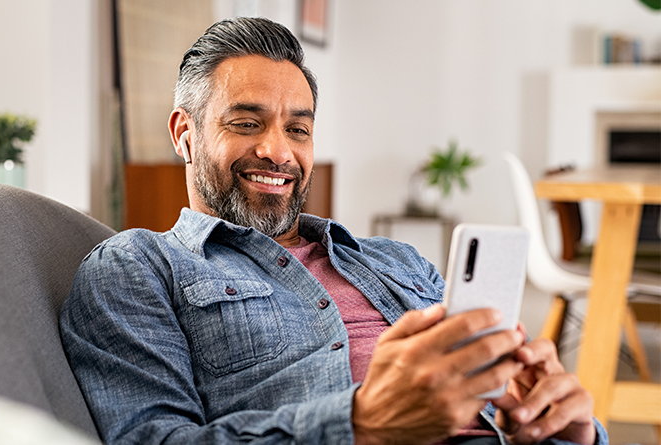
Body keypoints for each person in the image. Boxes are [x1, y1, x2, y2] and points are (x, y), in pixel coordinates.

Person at [60, 17, 604, 445]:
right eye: (247, 123)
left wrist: (568, 427)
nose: (278, 150)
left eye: (298, 128)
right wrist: (363, 424)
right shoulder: (139, 266)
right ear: (184, 134)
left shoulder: (398, 262)